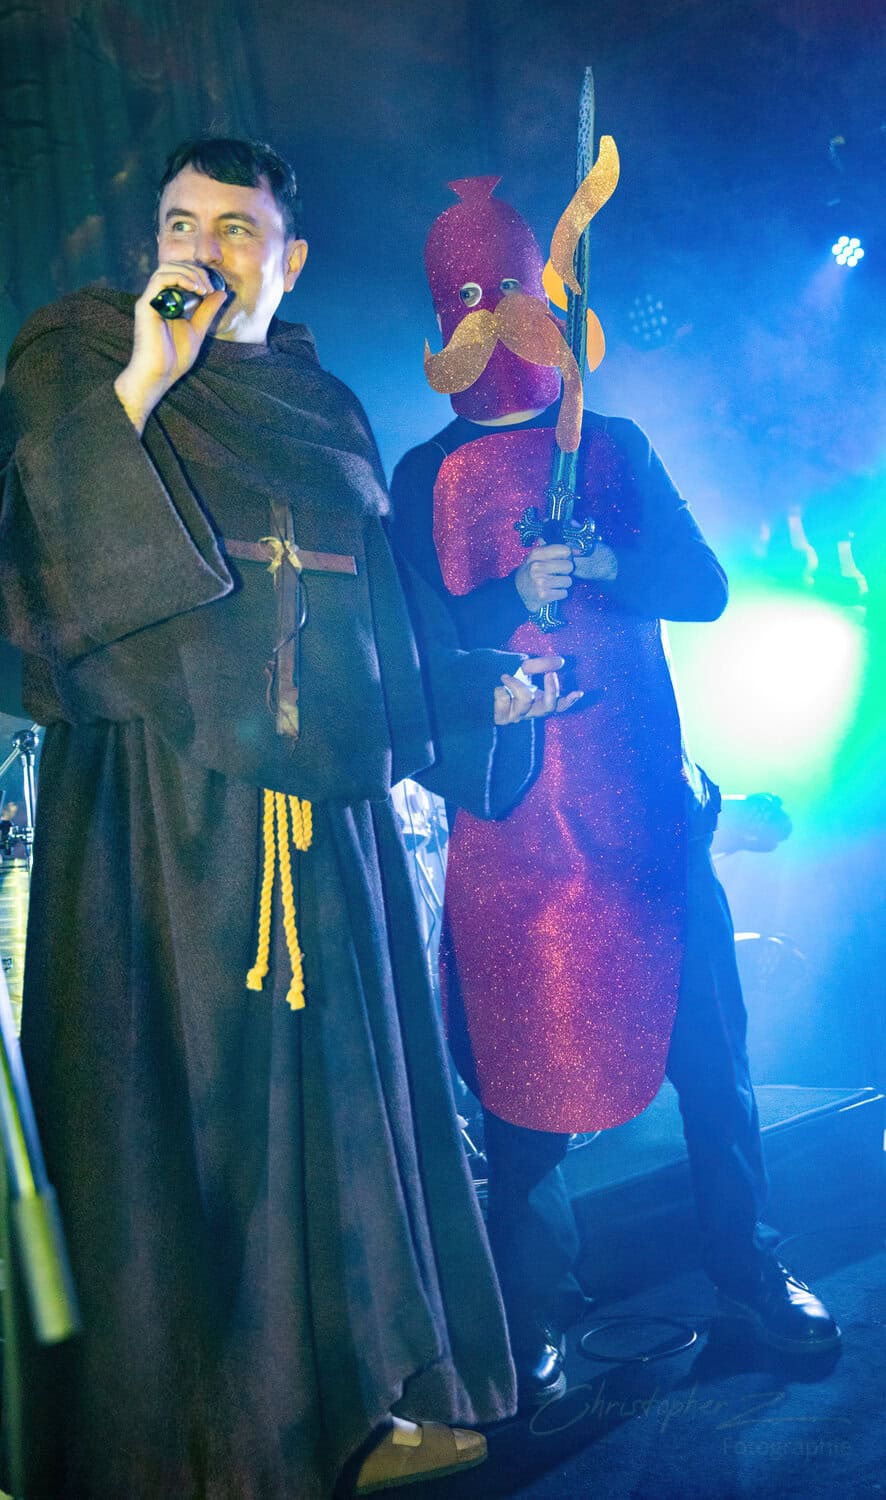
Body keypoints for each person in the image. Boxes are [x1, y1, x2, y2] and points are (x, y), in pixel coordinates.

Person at [0, 137, 577, 1500]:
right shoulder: (78, 360)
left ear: (289, 258)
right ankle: (177, 1439)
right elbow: (41, 558)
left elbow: (377, 634)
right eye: (179, 225)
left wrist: (468, 693)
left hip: (321, 835)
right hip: (156, 830)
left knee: (338, 1122)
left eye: (235, 229)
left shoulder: (325, 415)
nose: (202, 252)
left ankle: (358, 1397)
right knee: (176, 1132)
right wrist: (142, 383)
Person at [390, 174, 840, 1405]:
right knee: (522, 1088)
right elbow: (412, 648)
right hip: (516, 833)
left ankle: (749, 1270)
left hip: (646, 818)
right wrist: (506, 599)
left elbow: (702, 587)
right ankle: (533, 1316)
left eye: (510, 286)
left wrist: (600, 560)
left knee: (713, 1064)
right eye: (467, 294)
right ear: (440, 315)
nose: (493, 314)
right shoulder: (422, 475)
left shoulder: (617, 442)